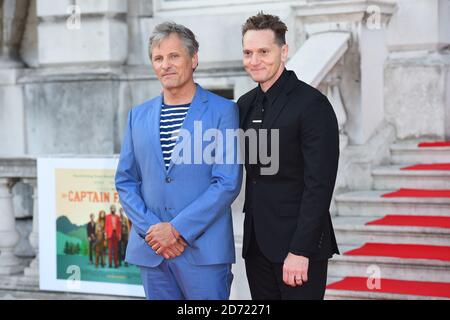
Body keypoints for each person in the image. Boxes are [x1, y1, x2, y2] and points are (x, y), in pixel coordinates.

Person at [115, 22, 242, 300]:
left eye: (174, 56)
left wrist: (177, 230)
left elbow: (227, 182)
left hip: (203, 253)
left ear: (193, 58)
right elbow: (126, 180)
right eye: (158, 58)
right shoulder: (138, 115)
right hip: (153, 253)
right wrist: (153, 232)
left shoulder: (224, 111)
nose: (166, 65)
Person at [238, 12, 340, 300]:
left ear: (283, 51)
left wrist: (300, 250)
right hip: (256, 247)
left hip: (297, 249)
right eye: (248, 52)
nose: (254, 60)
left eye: (263, 52)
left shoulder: (312, 105)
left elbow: (319, 184)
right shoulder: (245, 105)